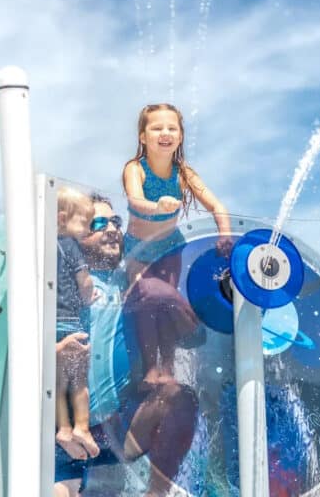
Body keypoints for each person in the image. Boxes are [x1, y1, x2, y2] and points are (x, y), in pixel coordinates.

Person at [54, 194, 199, 497]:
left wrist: (167, 296)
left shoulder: (132, 282)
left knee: (179, 397)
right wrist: (54, 352)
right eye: (98, 223)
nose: (111, 229)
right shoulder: (59, 282)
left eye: (115, 222)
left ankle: (156, 493)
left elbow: (195, 338)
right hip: (62, 433)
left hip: (118, 429)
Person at [122, 103, 231, 388]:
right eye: (156, 128)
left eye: (172, 128)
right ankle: (149, 368)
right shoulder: (135, 169)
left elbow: (216, 205)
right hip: (138, 247)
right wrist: (156, 206)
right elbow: (134, 200)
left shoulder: (184, 174)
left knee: (166, 303)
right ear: (143, 137)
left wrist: (225, 234)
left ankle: (167, 368)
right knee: (145, 302)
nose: (165, 133)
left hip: (170, 247)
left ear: (181, 137)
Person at [55, 187, 100, 459]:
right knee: (79, 382)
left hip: (53, 326)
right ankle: (82, 427)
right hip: (71, 324)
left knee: (58, 384)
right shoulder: (70, 245)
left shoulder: (45, 246)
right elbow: (84, 282)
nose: (87, 229)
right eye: (84, 222)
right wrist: (89, 295)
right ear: (62, 219)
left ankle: (63, 427)